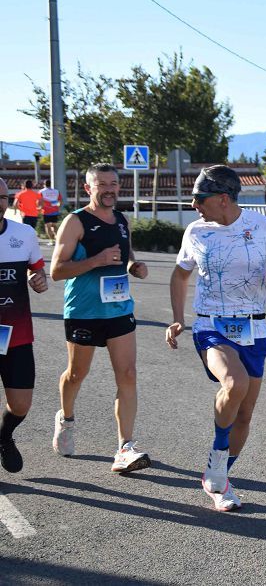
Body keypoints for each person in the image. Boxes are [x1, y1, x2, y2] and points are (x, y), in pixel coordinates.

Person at [166, 165, 266, 512]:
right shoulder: (195, 232)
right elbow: (179, 277)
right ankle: (218, 463)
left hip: (254, 328)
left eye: (199, 199)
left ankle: (219, 474)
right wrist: (179, 320)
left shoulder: (262, 226)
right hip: (211, 324)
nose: (194, 206)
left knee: (245, 414)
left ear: (222, 199)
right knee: (234, 383)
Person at [50, 163, 151, 473]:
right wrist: (97, 261)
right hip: (84, 311)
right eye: (102, 184)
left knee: (128, 374)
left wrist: (134, 265)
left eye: (113, 184)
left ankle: (125, 447)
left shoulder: (121, 220)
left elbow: (127, 252)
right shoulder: (75, 222)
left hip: (119, 309)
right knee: (77, 373)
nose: (109, 189)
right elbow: (56, 271)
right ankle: (66, 419)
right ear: (88, 189)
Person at [0, 179, 49, 473]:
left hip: (16, 336)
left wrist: (39, 281)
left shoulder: (24, 233)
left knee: (21, 405)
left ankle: (4, 437)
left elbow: (38, 273)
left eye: (2, 197)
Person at [40, 178, 63, 244]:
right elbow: (61, 200)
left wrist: (40, 208)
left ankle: (51, 240)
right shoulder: (56, 191)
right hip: (55, 210)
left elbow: (40, 201)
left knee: (48, 226)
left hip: (46, 211)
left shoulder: (42, 191)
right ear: (51, 184)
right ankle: (57, 239)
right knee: (54, 225)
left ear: (44, 184)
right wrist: (58, 206)